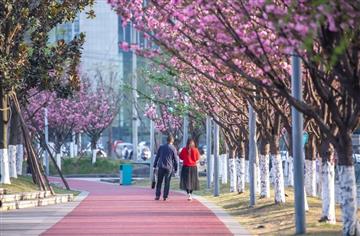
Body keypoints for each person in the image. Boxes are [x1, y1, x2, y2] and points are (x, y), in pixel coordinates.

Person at [153, 135, 179, 201]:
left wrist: (154, 165)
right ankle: (165, 196)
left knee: (159, 181)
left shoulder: (161, 147)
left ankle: (157, 195)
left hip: (161, 166)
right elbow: (176, 159)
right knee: (167, 182)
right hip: (169, 167)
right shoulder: (173, 148)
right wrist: (176, 168)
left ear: (167, 140)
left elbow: (157, 157)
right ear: (172, 141)